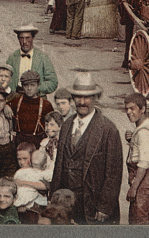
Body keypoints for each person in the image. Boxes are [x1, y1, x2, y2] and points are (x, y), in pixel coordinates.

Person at [49, 72, 123, 224]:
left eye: (87, 97)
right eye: (78, 97)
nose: (82, 102)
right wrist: (53, 197)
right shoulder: (67, 124)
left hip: (92, 203)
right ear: (73, 98)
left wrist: (105, 206)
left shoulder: (108, 129)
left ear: (95, 98)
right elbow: (59, 165)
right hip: (66, 201)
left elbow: (114, 174)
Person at [5, 24, 58, 97]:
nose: (24, 42)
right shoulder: (13, 57)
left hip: (36, 97)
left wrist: (36, 89)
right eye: (21, 38)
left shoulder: (42, 57)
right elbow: (5, 79)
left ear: (33, 38)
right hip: (16, 96)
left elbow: (53, 82)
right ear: (18, 39)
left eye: (28, 38)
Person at [7, 69, 54, 149]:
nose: (29, 88)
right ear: (22, 86)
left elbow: (53, 126)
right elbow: (1, 105)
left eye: (32, 85)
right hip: (19, 143)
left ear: (38, 85)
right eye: (26, 85)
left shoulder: (46, 105)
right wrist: (6, 107)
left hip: (38, 144)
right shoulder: (16, 102)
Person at [13, 145, 50, 214]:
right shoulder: (20, 173)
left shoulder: (39, 172)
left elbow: (45, 186)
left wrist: (24, 183)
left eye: (25, 158)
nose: (21, 162)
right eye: (19, 159)